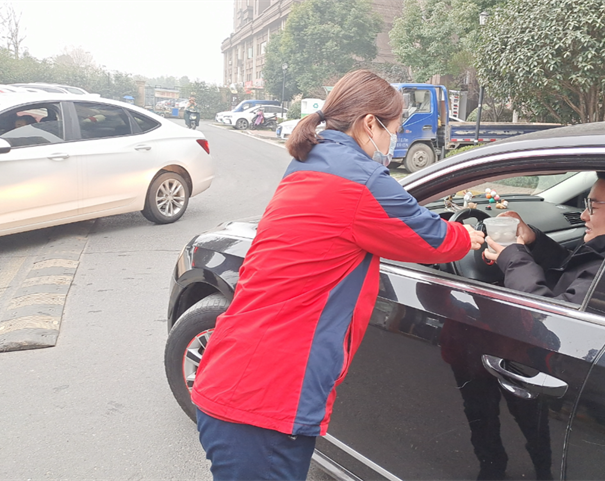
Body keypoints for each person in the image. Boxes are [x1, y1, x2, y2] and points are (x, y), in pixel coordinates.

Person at [191, 69, 485, 481]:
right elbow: (430, 238)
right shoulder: (361, 180)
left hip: (239, 373)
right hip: (265, 400)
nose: (394, 140)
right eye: (394, 130)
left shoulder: (308, 164)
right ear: (370, 124)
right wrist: (472, 236)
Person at [483, 172, 605, 303]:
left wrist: (515, 260)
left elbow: (543, 316)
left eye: (592, 207)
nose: (583, 215)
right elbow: (573, 270)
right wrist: (534, 241)